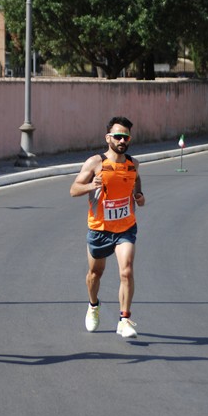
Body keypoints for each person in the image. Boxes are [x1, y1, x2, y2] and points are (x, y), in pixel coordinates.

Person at [70, 116, 145, 338]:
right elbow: (73, 189)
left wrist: (138, 195)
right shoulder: (96, 163)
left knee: (127, 270)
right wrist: (90, 185)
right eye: (118, 136)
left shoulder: (134, 163)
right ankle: (93, 305)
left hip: (125, 227)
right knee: (95, 273)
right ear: (108, 138)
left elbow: (136, 180)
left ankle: (124, 319)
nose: (122, 140)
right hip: (99, 229)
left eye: (126, 137)